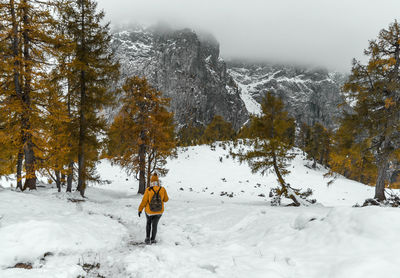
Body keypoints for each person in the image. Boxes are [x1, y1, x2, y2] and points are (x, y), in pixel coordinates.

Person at [138, 173, 169, 244]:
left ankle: (147, 238)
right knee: (155, 225)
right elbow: (166, 199)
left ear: (151, 182)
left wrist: (140, 209)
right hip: (159, 211)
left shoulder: (148, 190)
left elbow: (144, 201)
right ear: (158, 181)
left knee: (148, 223)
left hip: (149, 211)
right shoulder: (162, 189)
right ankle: (153, 239)